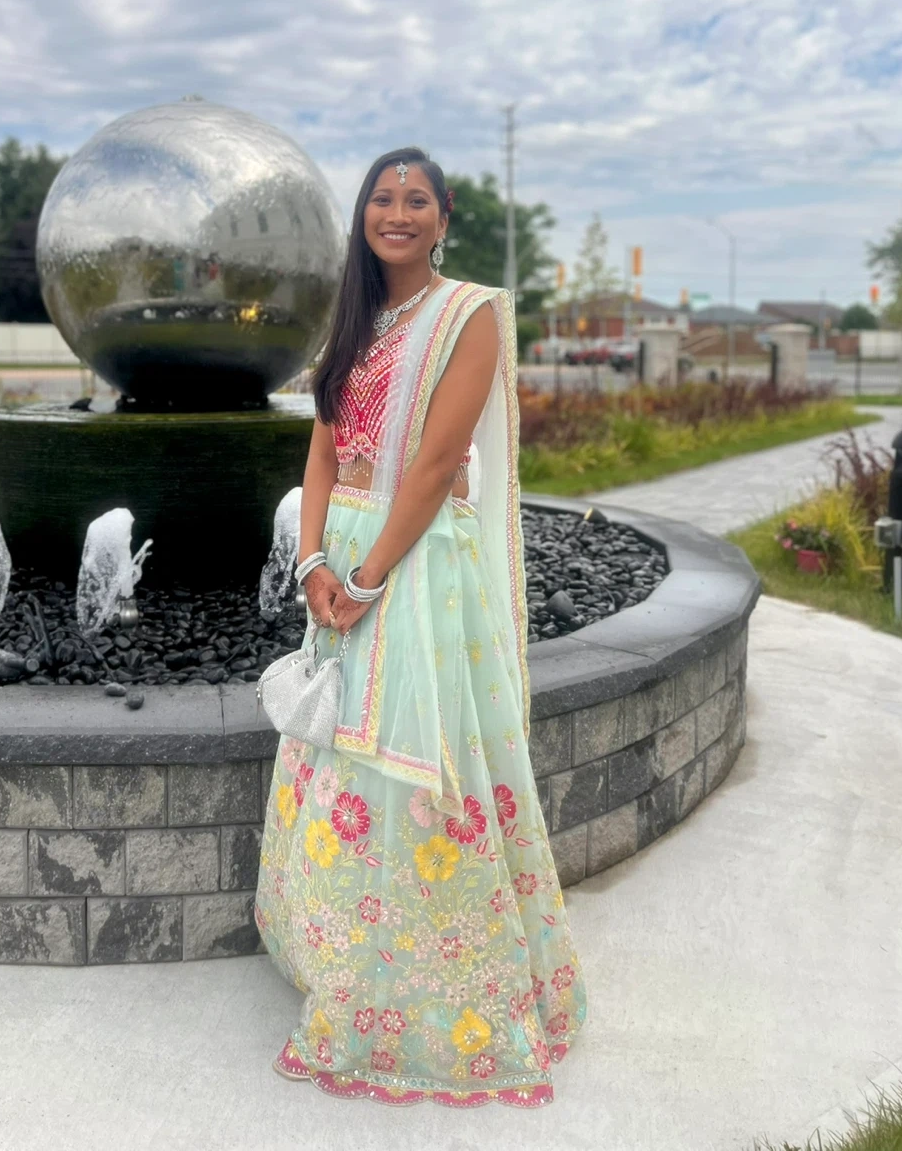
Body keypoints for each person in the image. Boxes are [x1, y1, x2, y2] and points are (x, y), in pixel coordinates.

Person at [254, 147, 587, 1108]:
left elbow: (438, 465)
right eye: (381, 198)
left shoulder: (468, 313)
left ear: (444, 218)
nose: (395, 213)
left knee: (413, 760)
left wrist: (367, 577)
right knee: (339, 748)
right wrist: (313, 563)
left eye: (415, 201)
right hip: (342, 561)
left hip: (416, 562)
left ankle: (424, 996)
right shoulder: (356, 319)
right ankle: (342, 958)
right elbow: (323, 448)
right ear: (362, 215)